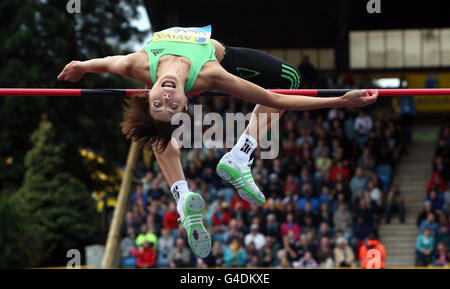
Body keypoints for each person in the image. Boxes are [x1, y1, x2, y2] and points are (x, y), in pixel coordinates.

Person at [58, 25, 378, 258]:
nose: (167, 96)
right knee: (290, 80)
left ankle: (201, 185)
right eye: (172, 105)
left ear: (147, 91)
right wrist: (339, 100)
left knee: (155, 124)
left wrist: (82, 66)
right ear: (187, 102)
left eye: (160, 101)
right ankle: (228, 166)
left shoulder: (138, 66)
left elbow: (107, 61)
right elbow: (276, 98)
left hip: (178, 61)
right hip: (224, 55)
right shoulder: (211, 75)